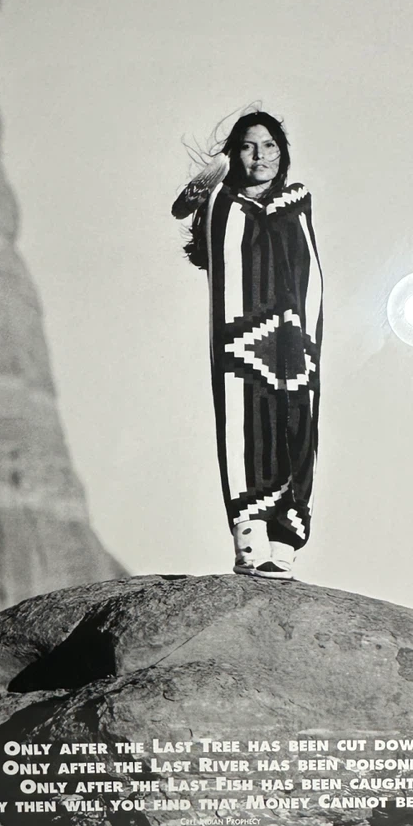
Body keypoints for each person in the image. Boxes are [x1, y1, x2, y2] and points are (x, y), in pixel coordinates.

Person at [172, 110, 323, 580]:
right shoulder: (224, 204)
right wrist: (212, 188)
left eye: (270, 145)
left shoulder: (297, 201)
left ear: (283, 153)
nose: (260, 156)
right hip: (241, 339)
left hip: (294, 340)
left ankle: (285, 544)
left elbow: (306, 269)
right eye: (248, 147)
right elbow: (211, 241)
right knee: (244, 422)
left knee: (297, 424)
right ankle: (249, 540)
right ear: (235, 154)